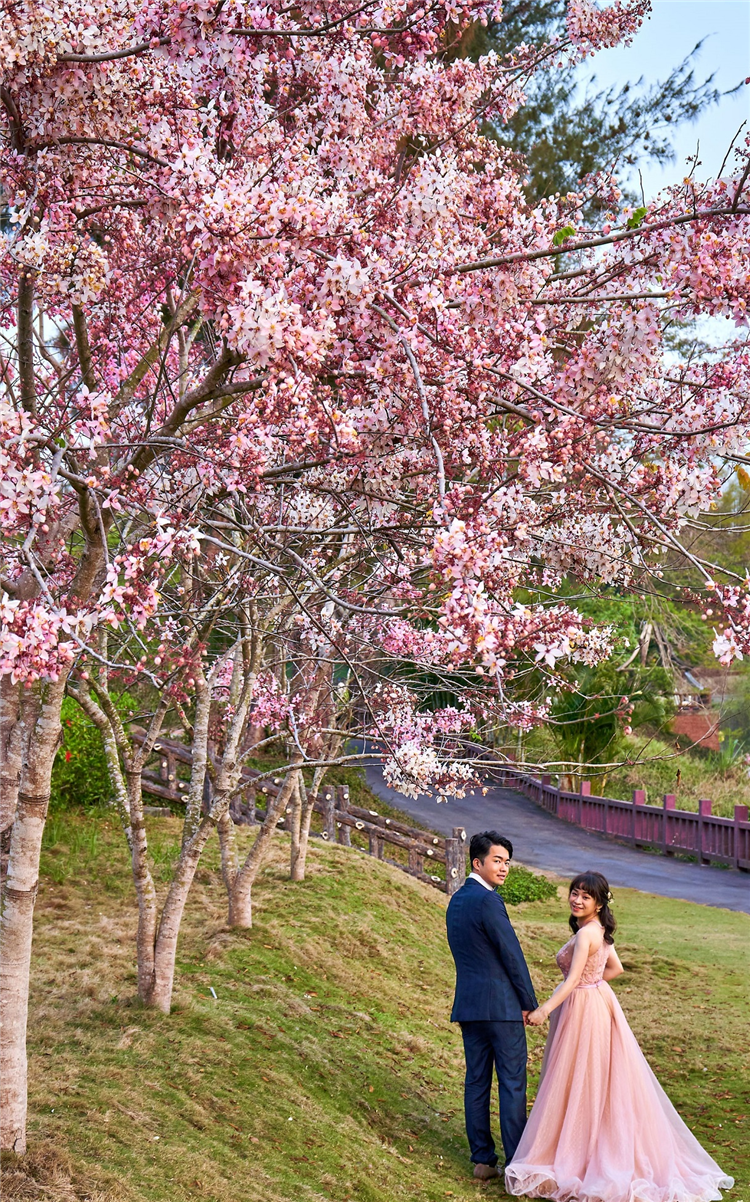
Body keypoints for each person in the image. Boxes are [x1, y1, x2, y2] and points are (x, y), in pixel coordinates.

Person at [506, 871, 735, 1202]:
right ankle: (582, 1145)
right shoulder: (598, 932)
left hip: (584, 1007)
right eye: (574, 893)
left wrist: (544, 1009)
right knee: (590, 1077)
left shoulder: (587, 935)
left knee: (580, 1077)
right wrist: (595, 982)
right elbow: (615, 969)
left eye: (585, 896)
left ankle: (577, 1153)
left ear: (599, 903)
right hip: (595, 1003)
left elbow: (572, 981)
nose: (576, 899)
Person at [446, 831, 538, 1181]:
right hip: (500, 1007)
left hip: (469, 1006)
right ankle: (516, 1165)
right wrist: (529, 1003)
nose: (504, 868)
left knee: (477, 1081)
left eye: (507, 862)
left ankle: (482, 1160)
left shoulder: (456, 900)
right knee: (512, 1083)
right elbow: (511, 955)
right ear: (477, 863)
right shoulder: (488, 901)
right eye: (497, 861)